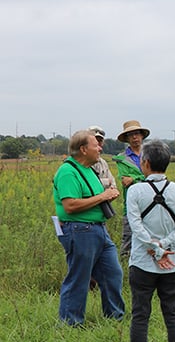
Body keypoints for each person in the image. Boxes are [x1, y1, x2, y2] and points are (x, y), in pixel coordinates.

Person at [126, 141, 175, 342]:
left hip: (142, 262)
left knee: (140, 313)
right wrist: (166, 247)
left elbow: (136, 227)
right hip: (172, 263)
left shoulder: (134, 191)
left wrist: (156, 249)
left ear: (144, 163)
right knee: (172, 310)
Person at [52, 129, 125, 325]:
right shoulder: (68, 171)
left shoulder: (89, 169)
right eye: (96, 145)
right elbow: (70, 205)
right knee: (79, 278)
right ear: (84, 149)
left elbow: (94, 197)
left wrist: (107, 193)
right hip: (79, 230)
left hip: (98, 229)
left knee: (113, 273)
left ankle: (115, 318)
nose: (100, 148)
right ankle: (70, 323)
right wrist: (102, 196)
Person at [113, 120, 150, 257]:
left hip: (151, 201)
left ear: (141, 136)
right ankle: (125, 269)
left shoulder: (150, 153)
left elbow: (154, 175)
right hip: (131, 204)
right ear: (127, 138)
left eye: (137, 134)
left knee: (150, 238)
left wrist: (134, 178)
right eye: (131, 135)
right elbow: (125, 180)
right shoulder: (121, 159)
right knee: (128, 239)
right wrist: (143, 177)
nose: (135, 137)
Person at [88, 126, 117, 191]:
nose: (97, 143)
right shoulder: (80, 162)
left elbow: (113, 185)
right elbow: (86, 185)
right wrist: (107, 182)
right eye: (94, 140)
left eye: (100, 141)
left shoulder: (103, 163)